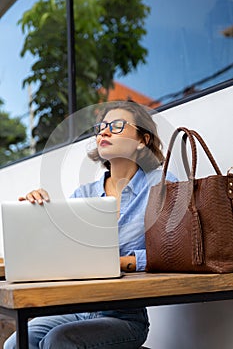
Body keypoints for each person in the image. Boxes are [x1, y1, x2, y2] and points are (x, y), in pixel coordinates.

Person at [4, 101, 177, 349]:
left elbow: (171, 252)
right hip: (76, 310)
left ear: (143, 140)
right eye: (101, 126)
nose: (103, 132)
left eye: (116, 126)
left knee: (58, 342)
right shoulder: (83, 194)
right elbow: (63, 254)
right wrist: (39, 212)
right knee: (15, 344)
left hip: (124, 317)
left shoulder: (161, 184)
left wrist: (121, 262)